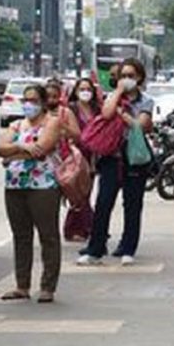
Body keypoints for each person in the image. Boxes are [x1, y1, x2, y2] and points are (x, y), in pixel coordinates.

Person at [76, 58, 154, 267]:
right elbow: (106, 113)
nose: (127, 79)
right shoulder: (113, 97)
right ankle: (95, 248)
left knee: (132, 204)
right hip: (111, 157)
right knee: (103, 203)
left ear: (140, 78)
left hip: (135, 158)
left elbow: (141, 125)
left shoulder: (146, 101)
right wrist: (119, 94)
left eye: (131, 76)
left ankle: (128, 247)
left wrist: (124, 115)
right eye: (123, 76)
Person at [0, 85, 62, 303]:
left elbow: (43, 148)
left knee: (48, 236)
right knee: (21, 236)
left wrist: (13, 154)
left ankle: (47, 287)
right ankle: (22, 286)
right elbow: (1, 149)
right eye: (25, 100)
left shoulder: (52, 122)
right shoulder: (16, 124)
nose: (28, 104)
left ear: (43, 102)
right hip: (15, 185)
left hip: (43, 185)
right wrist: (24, 148)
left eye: (34, 100)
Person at [62, 78, 101, 242]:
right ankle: (80, 227)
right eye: (82, 89)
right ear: (76, 91)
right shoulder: (70, 109)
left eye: (88, 89)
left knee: (87, 191)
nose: (85, 92)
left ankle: (86, 226)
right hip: (76, 154)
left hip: (92, 155)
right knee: (77, 193)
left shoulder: (96, 109)